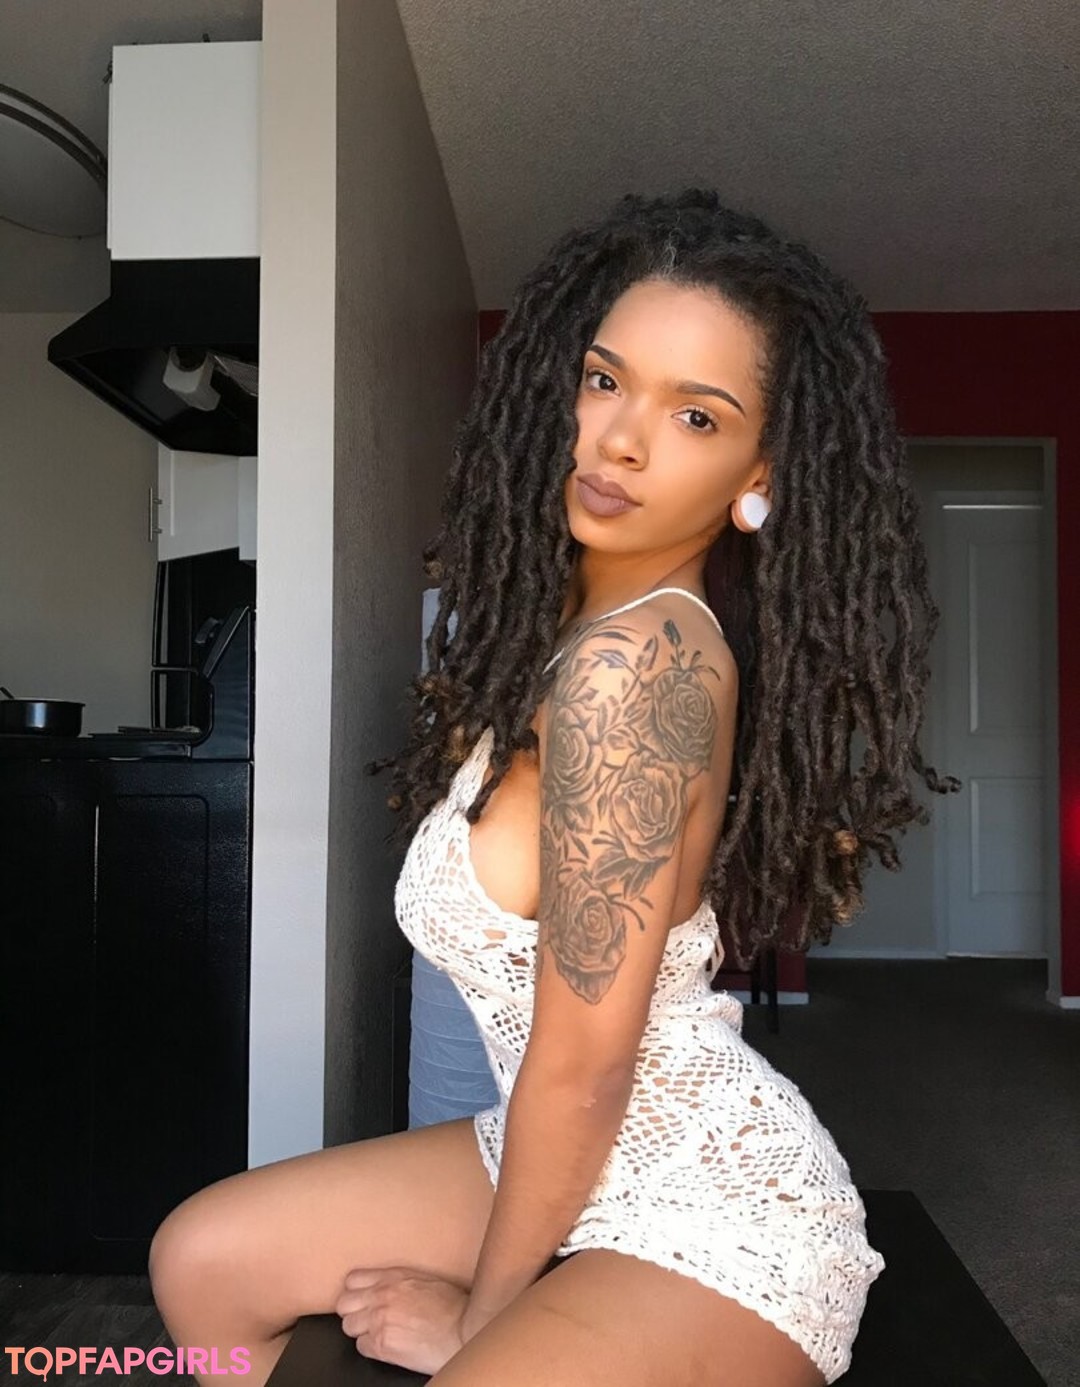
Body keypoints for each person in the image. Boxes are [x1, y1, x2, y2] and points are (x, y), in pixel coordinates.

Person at [148, 188, 959, 1387]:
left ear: (759, 472)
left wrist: (482, 1319)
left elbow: (585, 1068)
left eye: (695, 413)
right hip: (561, 1145)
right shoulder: (566, 638)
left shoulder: (636, 672)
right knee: (206, 1260)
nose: (621, 438)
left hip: (712, 1204)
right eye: (604, 380)